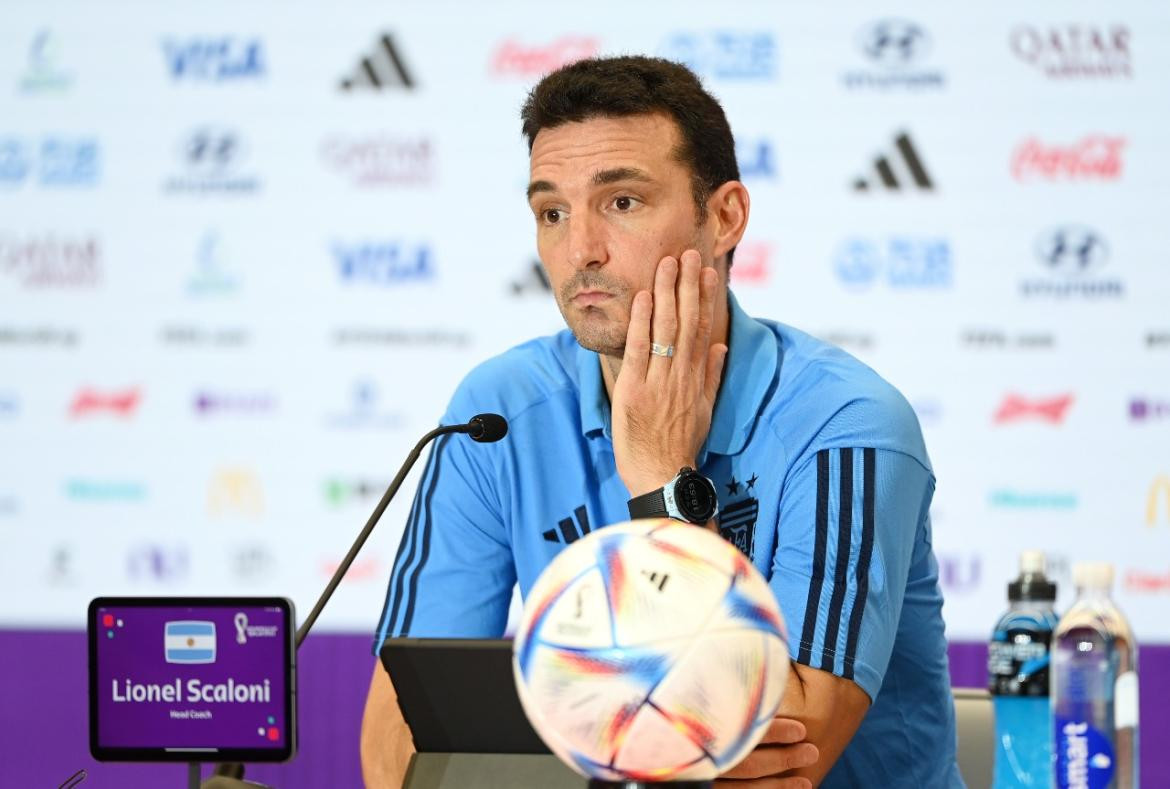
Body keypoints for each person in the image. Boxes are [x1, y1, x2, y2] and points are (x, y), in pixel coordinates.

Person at [361, 56, 962, 788]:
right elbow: (399, 732)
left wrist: (660, 482)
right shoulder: (496, 413)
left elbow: (792, 750)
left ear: (725, 217)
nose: (579, 249)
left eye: (621, 202)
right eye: (552, 212)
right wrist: (678, 736)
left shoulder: (848, 426)